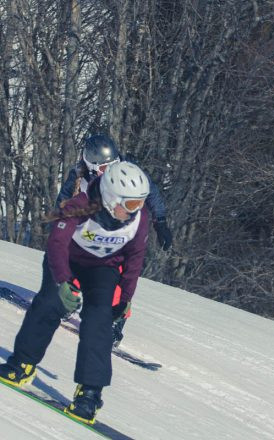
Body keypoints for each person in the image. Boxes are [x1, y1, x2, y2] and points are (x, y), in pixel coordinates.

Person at [0, 161, 150, 424]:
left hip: (104, 268)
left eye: (139, 203)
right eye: (130, 204)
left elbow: (135, 257)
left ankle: (90, 393)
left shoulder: (139, 219)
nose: (135, 211)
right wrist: (62, 282)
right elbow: (57, 244)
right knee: (48, 304)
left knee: (99, 320)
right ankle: (21, 365)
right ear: (111, 196)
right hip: (66, 259)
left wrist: (125, 297)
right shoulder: (79, 206)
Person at [58, 134, 172, 345]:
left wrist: (161, 221)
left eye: (114, 165)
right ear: (91, 166)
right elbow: (63, 205)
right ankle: (65, 302)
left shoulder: (127, 171)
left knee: (119, 276)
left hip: (122, 233)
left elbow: (151, 192)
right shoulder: (79, 178)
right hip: (90, 231)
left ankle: (113, 323)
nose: (109, 172)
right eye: (103, 169)